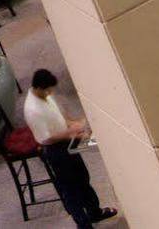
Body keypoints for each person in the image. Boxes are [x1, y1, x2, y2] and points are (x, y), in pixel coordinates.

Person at [22, 70, 116, 227]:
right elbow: (47, 138)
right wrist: (73, 134)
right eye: (48, 90)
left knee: (82, 177)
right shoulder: (33, 110)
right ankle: (83, 224)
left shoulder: (44, 94)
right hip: (55, 150)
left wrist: (72, 123)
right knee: (70, 189)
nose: (51, 93)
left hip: (65, 140)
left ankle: (94, 212)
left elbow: (59, 115)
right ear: (38, 88)